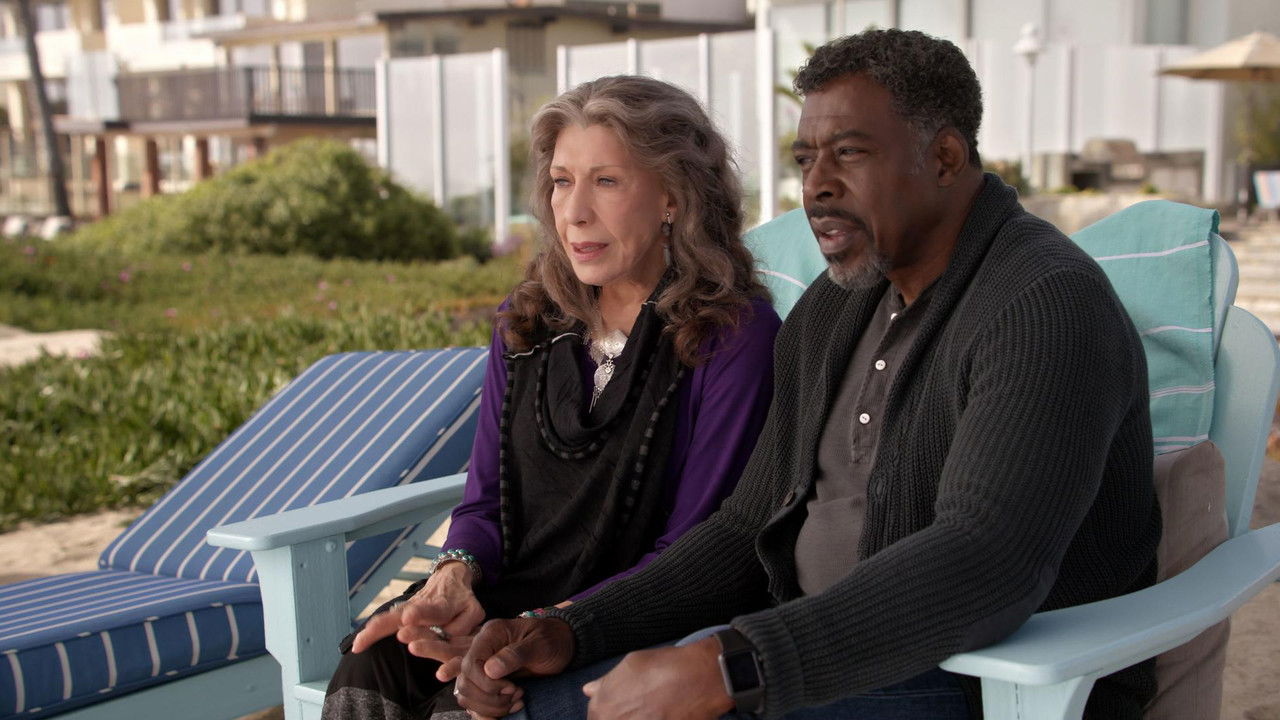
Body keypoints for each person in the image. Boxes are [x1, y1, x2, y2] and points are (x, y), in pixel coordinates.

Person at [449, 29, 1160, 720]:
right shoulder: (836, 306)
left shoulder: (1043, 304)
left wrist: (734, 665)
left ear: (944, 157)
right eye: (805, 159)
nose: (816, 186)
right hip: (812, 657)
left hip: (985, 684)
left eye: (848, 154)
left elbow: (985, 560)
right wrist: (572, 628)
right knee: (530, 696)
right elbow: (746, 528)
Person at [320, 75, 781, 719]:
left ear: (674, 197)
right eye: (563, 181)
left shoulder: (730, 335)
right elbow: (485, 501)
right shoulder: (528, 321)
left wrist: (547, 628)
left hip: (639, 620)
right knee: (373, 660)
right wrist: (454, 575)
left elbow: (697, 550)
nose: (575, 212)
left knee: (472, 702)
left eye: (607, 181)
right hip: (511, 600)